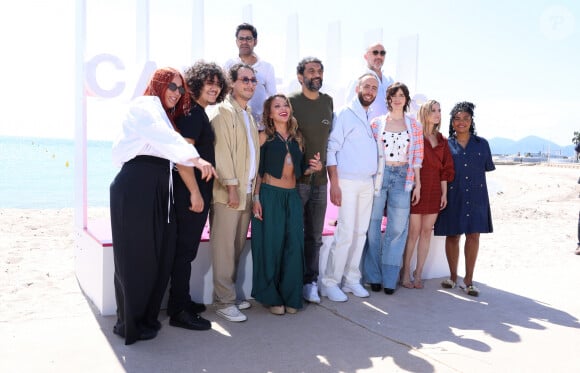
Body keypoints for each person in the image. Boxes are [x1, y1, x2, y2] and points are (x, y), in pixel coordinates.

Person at [110, 67, 217, 345]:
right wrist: (197, 159)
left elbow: (168, 143)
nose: (176, 93)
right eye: (171, 86)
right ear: (158, 84)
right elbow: (164, 138)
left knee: (158, 254)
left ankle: (146, 318)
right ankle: (129, 324)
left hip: (156, 187)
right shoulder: (145, 105)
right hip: (136, 184)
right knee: (136, 257)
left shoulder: (164, 114)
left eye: (180, 89)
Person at [166, 61, 227, 330]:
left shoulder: (198, 112)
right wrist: (194, 193)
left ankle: (182, 300)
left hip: (197, 191)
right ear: (197, 82)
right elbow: (183, 158)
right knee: (185, 252)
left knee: (186, 251)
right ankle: (179, 311)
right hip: (189, 193)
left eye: (217, 83)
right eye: (208, 82)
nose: (213, 87)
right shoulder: (192, 113)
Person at [251, 94, 322, 315]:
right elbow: (257, 172)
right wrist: (255, 198)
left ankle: (291, 295)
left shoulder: (297, 138)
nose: (283, 109)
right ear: (269, 113)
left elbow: (299, 171)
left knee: (294, 245)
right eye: (277, 106)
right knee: (270, 247)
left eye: (285, 105)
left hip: (292, 196)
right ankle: (270, 297)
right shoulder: (263, 137)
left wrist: (314, 168)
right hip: (269, 195)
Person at [320, 74, 379, 302]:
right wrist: (334, 183)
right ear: (357, 88)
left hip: (366, 182)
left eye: (374, 88)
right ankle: (330, 282)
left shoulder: (368, 116)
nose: (370, 91)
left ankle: (352, 279)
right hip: (346, 181)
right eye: (367, 86)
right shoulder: (345, 113)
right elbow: (331, 149)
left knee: (360, 232)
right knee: (344, 232)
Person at [362, 82, 423, 295]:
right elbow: (368, 153)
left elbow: (417, 157)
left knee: (397, 229)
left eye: (401, 95)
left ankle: (389, 278)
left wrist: (417, 184)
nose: (397, 99)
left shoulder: (414, 125)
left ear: (406, 99)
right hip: (380, 175)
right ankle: (373, 276)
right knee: (373, 224)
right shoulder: (376, 123)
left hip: (403, 177)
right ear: (388, 99)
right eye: (393, 95)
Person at [210, 63, 260, 322]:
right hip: (228, 193)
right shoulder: (221, 112)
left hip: (247, 192)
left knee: (237, 248)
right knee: (224, 250)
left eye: (253, 80)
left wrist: (254, 193)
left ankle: (229, 296)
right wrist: (231, 188)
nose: (250, 84)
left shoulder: (248, 114)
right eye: (244, 79)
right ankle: (223, 301)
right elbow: (222, 155)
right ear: (232, 83)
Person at [434, 101, 495, 297]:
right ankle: (453, 277)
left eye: (466, 118)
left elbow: (485, 168)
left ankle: (468, 280)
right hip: (453, 195)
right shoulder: (444, 144)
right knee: (452, 235)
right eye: (457, 119)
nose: (461, 122)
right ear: (452, 122)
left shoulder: (482, 144)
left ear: (471, 121)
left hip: (477, 196)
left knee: (473, 236)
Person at [288, 57, 334, 304]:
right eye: (311, 71)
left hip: (321, 181)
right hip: (298, 181)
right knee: (294, 234)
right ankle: (292, 282)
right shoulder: (292, 102)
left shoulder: (328, 102)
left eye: (319, 70)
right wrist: (302, 167)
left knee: (315, 236)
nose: (316, 74)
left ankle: (310, 282)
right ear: (300, 76)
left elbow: (329, 142)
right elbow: (285, 139)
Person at [400, 100, 454, 289]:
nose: (437, 114)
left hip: (435, 189)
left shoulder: (442, 140)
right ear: (424, 113)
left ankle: (419, 272)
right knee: (413, 232)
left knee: (426, 233)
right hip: (417, 187)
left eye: (439, 110)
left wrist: (444, 194)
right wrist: (415, 185)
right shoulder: (415, 136)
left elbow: (445, 170)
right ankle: (405, 270)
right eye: (433, 110)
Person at [224, 23, 276, 128]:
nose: (244, 42)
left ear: (255, 41)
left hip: (259, 127)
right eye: (241, 39)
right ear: (236, 41)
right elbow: (224, 94)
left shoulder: (267, 68)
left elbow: (272, 98)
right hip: (234, 125)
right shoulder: (229, 65)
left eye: (248, 39)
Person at [345, 42, 394, 119]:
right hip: (367, 129)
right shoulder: (357, 78)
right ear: (365, 56)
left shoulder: (390, 80)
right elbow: (349, 107)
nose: (379, 56)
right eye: (375, 52)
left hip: (388, 128)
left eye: (382, 53)